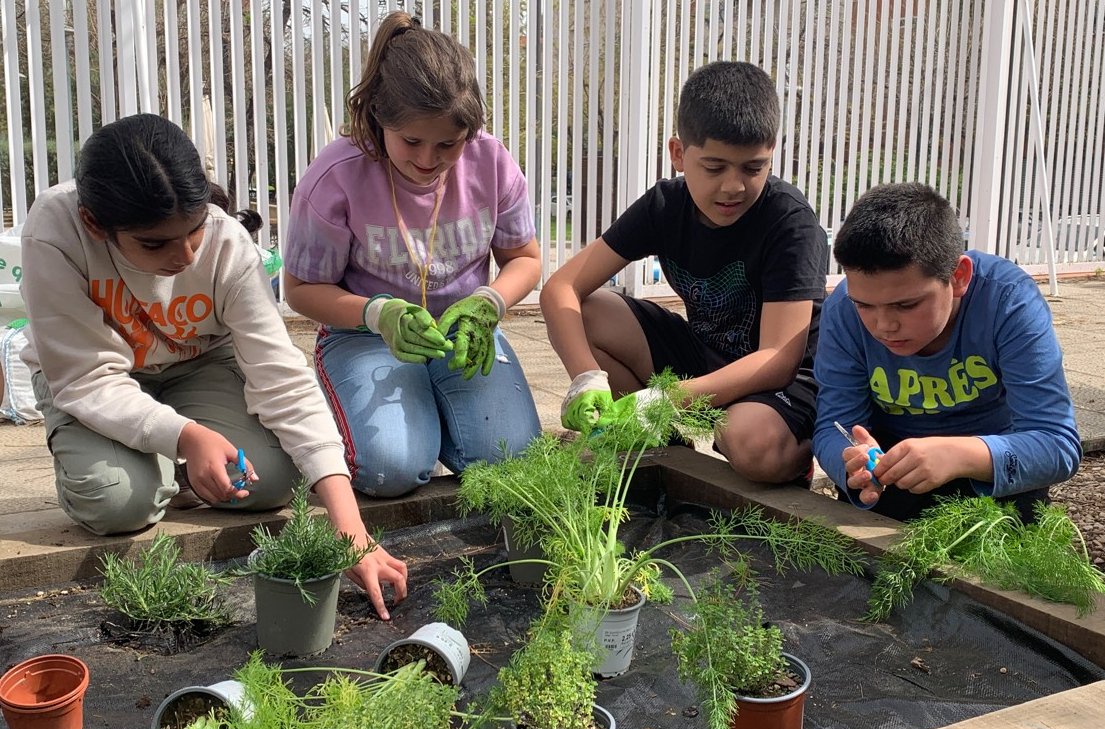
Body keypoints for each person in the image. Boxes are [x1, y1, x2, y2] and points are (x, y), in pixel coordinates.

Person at [19, 113, 407, 619]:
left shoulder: (227, 243)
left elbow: (281, 376)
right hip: (93, 380)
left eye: (195, 230)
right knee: (117, 503)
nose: (184, 255)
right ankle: (156, 464)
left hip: (196, 364)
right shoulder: (56, 229)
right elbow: (83, 376)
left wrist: (352, 531)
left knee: (267, 482)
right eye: (154, 244)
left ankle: (168, 464)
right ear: (96, 225)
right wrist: (185, 437)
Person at [282, 12, 541, 498]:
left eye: (448, 144)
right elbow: (300, 290)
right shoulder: (336, 176)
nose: (427, 160)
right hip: (364, 334)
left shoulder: (491, 161)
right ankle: (398, 419)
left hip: (465, 334)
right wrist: (376, 313)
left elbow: (525, 258)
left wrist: (489, 304)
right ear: (381, 118)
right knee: (390, 470)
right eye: (411, 142)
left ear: (470, 130)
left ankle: (439, 417)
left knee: (512, 461)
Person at [541, 61, 826, 484]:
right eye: (714, 168)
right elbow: (561, 287)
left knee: (750, 444)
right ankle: (663, 443)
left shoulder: (789, 222)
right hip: (707, 355)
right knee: (590, 311)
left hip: (782, 381)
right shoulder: (665, 207)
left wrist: (666, 397)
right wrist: (587, 378)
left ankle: (795, 449)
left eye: (753, 168)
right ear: (678, 154)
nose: (733, 186)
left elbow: (776, 360)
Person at [813, 182, 1081, 523]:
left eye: (905, 305)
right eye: (865, 305)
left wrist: (960, 455)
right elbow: (831, 427)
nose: (884, 326)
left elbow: (1056, 444)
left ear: (959, 277)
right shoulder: (842, 311)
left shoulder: (1008, 302)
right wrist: (851, 462)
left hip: (994, 464)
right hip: (893, 469)